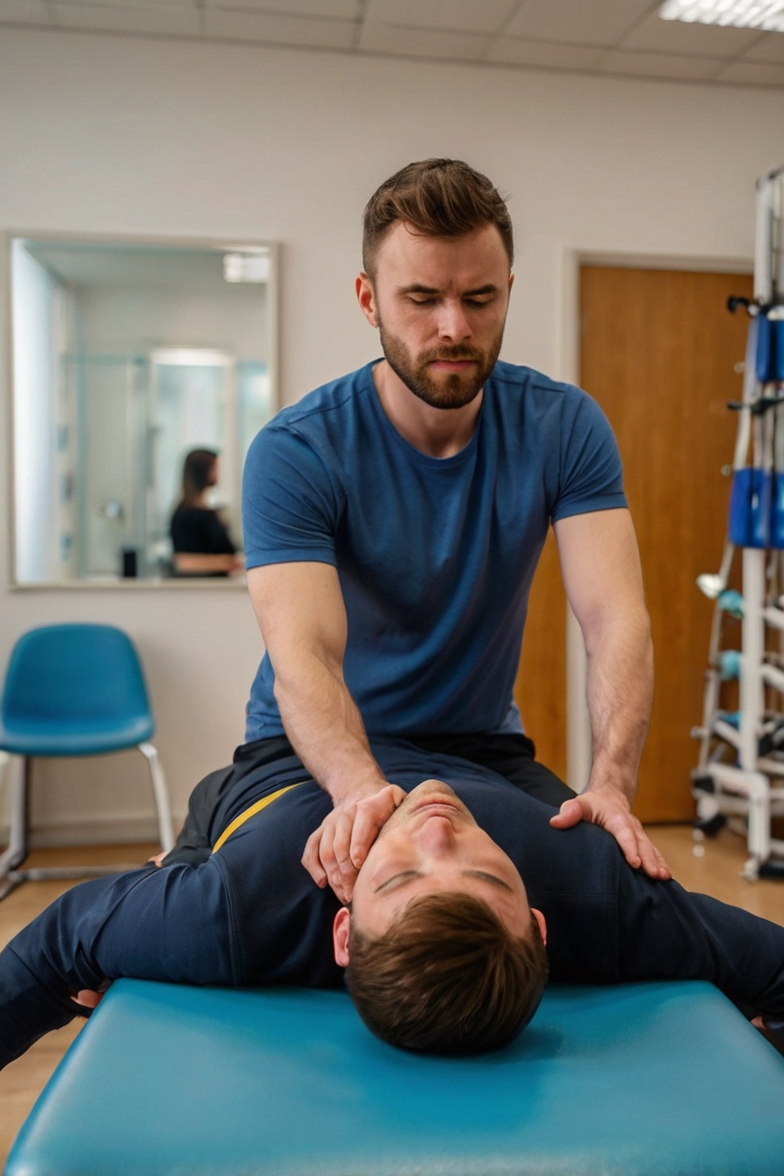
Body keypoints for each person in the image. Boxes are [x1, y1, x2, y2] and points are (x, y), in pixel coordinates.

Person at [241, 158, 667, 885]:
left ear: (508, 291)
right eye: (422, 299)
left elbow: (616, 621)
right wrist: (359, 794)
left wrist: (612, 787)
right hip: (310, 750)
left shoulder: (563, 427)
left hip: (479, 747)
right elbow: (303, 656)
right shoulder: (298, 448)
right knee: (271, 894)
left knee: (615, 884)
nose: (454, 327)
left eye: (479, 297)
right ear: (368, 300)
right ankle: (187, 853)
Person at [1, 739, 783, 1069]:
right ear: (540, 927)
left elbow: (62, 940)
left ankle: (182, 861)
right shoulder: (593, 886)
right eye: (487, 876)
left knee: (187, 866)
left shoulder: (239, 913)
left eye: (399, 878)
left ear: (343, 930)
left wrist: (133, 936)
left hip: (278, 773)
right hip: (490, 758)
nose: (435, 834)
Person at [170, 448, 241, 577]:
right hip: (201, 589)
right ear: (203, 471)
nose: (219, 473)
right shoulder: (186, 515)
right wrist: (225, 562)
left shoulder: (210, 512)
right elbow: (183, 562)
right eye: (215, 468)